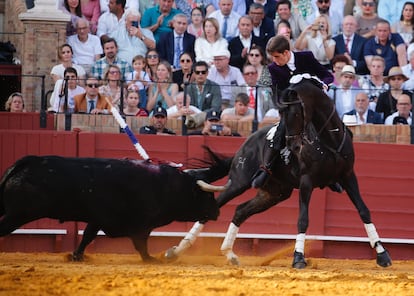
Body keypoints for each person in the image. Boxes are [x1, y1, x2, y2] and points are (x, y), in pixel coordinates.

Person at [251, 35, 334, 188]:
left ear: (286, 53)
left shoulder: (306, 57)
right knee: (281, 131)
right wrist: (287, 104)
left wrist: (324, 85)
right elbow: (276, 94)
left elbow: (327, 75)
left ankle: (332, 174)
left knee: (330, 128)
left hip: (313, 108)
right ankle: (266, 168)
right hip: (291, 110)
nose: (275, 60)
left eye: (277, 56)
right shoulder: (273, 68)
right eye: (272, 57)